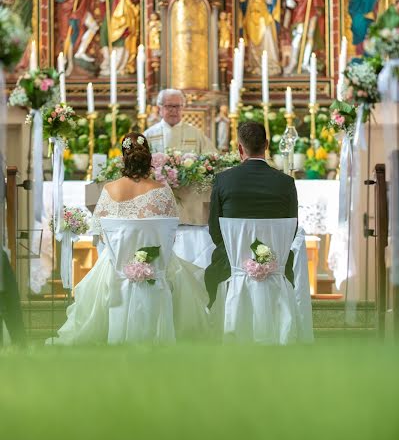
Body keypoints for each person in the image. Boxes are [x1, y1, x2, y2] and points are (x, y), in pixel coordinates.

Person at [48, 132, 209, 345]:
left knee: (105, 265)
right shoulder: (162, 190)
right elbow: (170, 235)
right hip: (158, 268)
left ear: (124, 157)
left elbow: (102, 237)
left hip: (117, 270)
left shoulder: (109, 190)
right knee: (180, 273)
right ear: (148, 158)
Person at [205, 121, 298, 307]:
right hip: (276, 265)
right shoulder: (286, 182)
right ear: (266, 144)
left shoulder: (224, 180)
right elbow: (291, 230)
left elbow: (215, 230)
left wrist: (239, 252)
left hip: (231, 265)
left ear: (240, 148)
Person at [144, 89, 215, 153]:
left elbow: (212, 158)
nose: (174, 110)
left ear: (183, 108)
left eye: (178, 106)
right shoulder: (149, 135)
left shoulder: (195, 134)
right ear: (160, 108)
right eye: (169, 106)